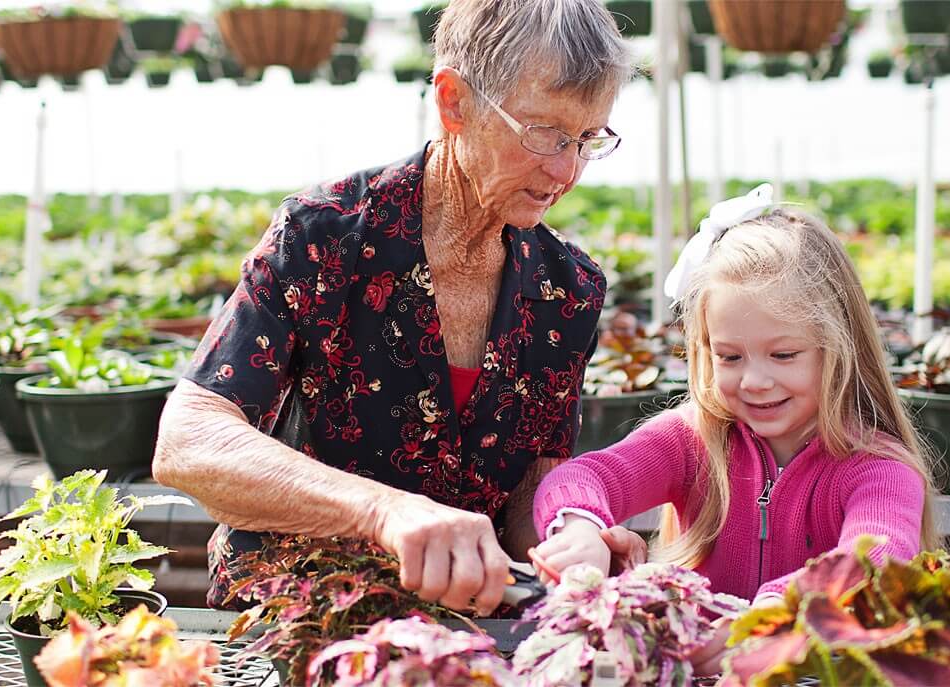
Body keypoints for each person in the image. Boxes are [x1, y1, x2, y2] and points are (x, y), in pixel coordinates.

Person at [152, 0, 632, 617]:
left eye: (587, 138)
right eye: (543, 132)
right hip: (304, 605)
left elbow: (526, 492)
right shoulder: (325, 236)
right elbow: (188, 441)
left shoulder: (567, 290)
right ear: (454, 102)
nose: (566, 170)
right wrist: (386, 511)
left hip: (464, 614)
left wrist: (571, 544)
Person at [530, 185, 943, 666]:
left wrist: (770, 619)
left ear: (839, 347)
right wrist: (582, 532)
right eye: (729, 356)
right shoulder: (691, 440)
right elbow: (585, 477)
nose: (755, 380)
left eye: (783, 355)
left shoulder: (879, 471)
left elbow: (873, 558)